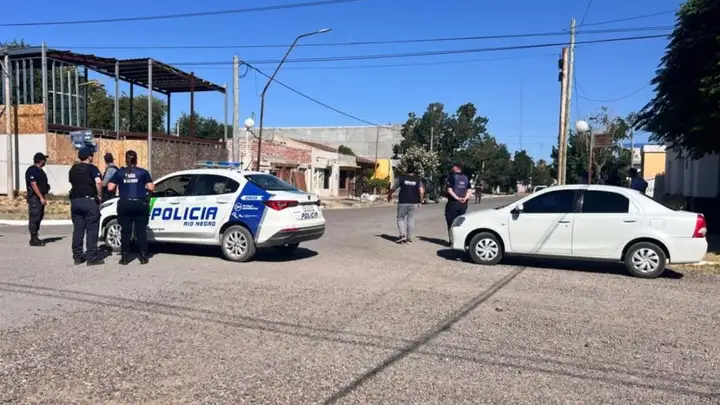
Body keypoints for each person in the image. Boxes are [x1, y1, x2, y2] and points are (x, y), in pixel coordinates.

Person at [107, 150, 155, 265]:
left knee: (126, 232)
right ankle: (143, 256)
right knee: (141, 231)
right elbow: (151, 187)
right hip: (140, 204)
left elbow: (110, 187)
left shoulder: (120, 172)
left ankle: (124, 257)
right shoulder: (142, 172)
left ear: (126, 160)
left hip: (125, 204)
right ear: (136, 160)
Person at [68, 147, 104, 265]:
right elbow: (98, 182)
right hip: (89, 201)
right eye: (92, 155)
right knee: (92, 229)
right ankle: (91, 257)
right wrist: (99, 195)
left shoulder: (73, 169)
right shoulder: (92, 168)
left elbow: (72, 182)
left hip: (75, 201)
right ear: (89, 157)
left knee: (78, 230)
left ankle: (77, 257)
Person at [388, 164, 424, 244]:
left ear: (407, 171)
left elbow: (393, 187)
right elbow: (421, 191)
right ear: (414, 171)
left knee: (400, 218)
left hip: (403, 201)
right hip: (414, 202)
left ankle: (402, 235)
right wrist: (420, 201)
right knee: (411, 220)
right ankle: (409, 239)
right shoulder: (418, 180)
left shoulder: (401, 178)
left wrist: (389, 195)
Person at [25, 152, 51, 247]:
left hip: (40, 197)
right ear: (40, 161)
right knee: (34, 217)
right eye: (44, 159)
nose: (45, 161)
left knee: (39, 217)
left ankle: (35, 236)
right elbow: (33, 184)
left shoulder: (40, 171)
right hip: (35, 198)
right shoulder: (32, 170)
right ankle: (33, 238)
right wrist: (40, 197)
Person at [445, 163, 470, 243]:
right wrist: (465, 198)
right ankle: (460, 241)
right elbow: (469, 190)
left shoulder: (452, 177)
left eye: (453, 167)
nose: (452, 168)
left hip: (453, 203)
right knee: (460, 223)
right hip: (463, 204)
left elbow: (449, 190)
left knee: (451, 222)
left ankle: (452, 240)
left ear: (456, 168)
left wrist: (457, 198)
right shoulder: (466, 178)